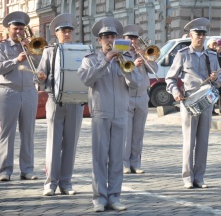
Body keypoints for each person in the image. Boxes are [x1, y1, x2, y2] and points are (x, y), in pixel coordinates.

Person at [77, 17, 141, 212]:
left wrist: (125, 66)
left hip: (120, 112)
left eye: (112, 36)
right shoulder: (90, 60)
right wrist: (105, 61)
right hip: (101, 113)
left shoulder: (126, 59)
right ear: (99, 40)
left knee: (116, 157)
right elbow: (86, 79)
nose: (109, 40)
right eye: (105, 37)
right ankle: (99, 198)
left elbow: (137, 84)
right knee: (99, 157)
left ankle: (115, 196)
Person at [165, 17, 221, 189]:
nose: (201, 37)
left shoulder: (211, 56)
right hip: (189, 100)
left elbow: (220, 80)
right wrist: (175, 92)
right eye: (198, 34)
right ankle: (187, 176)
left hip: (207, 100)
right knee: (189, 140)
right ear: (191, 35)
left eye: (203, 34)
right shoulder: (182, 55)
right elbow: (170, 78)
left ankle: (199, 176)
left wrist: (215, 77)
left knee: (203, 140)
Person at [36, 14, 84, 196]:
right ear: (56, 33)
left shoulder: (81, 51)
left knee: (71, 144)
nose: (67, 33)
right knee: (53, 143)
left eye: (69, 31)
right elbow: (40, 74)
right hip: (55, 101)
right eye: (63, 31)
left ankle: (66, 182)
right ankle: (50, 183)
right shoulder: (49, 51)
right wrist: (41, 77)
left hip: (75, 102)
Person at [0, 11, 41, 181]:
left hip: (30, 90)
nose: (19, 32)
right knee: (6, 133)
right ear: (8, 29)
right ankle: (4, 170)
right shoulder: (2, 47)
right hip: (8, 91)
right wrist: (16, 60)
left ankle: (27, 169)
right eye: (15, 29)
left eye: (21, 29)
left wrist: (32, 52)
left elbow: (40, 67)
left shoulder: (31, 45)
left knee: (28, 132)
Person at [122, 24, 158, 174]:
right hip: (127, 96)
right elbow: (120, 72)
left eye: (135, 38)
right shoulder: (121, 55)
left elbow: (154, 69)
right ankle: (124, 163)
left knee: (138, 132)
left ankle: (136, 163)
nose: (133, 41)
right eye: (130, 38)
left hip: (142, 96)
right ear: (124, 39)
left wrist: (145, 56)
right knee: (126, 133)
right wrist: (134, 65)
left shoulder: (142, 54)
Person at [205, 37, 219, 116]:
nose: (214, 46)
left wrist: (216, 78)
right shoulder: (206, 53)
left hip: (213, 79)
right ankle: (210, 110)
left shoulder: (215, 54)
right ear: (208, 45)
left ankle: (212, 110)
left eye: (215, 45)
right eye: (213, 45)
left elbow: (217, 67)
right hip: (206, 79)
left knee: (213, 95)